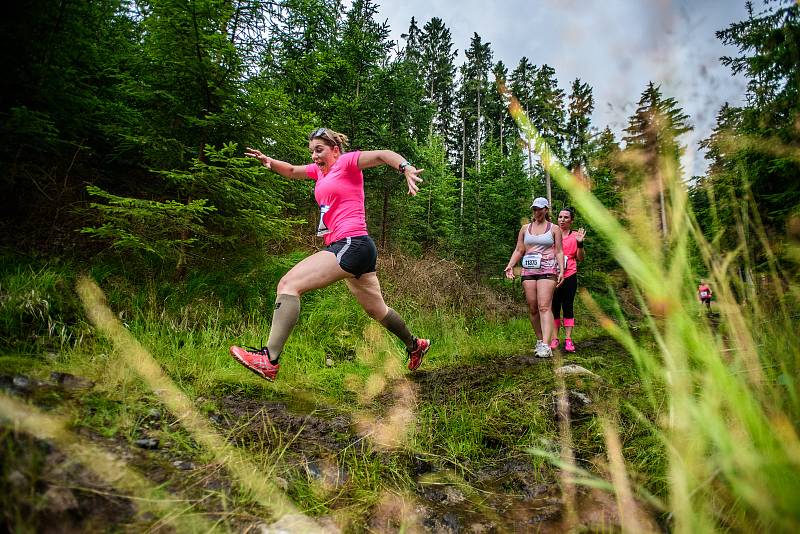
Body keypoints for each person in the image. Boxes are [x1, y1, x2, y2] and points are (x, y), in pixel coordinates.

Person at [229, 128, 431, 381]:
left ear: (335, 150)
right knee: (377, 310)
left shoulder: (347, 163)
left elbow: (382, 155)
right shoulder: (318, 171)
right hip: (357, 247)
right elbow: (291, 171)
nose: (314, 156)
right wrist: (270, 162)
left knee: (288, 284)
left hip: (351, 242)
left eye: (319, 150)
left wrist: (405, 168)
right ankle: (416, 345)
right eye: (312, 151)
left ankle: (269, 360)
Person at [504, 197, 564, 358]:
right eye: (534, 209)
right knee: (532, 307)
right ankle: (539, 340)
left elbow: (559, 251)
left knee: (544, 306)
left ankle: (546, 344)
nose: (537, 212)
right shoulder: (525, 228)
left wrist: (562, 271)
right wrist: (510, 265)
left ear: (546, 210)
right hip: (529, 271)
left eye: (540, 209)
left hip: (547, 270)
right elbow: (519, 249)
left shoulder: (554, 229)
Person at [550, 207, 586, 353]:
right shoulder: (551, 234)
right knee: (554, 307)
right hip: (553, 274)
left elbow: (581, 258)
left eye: (566, 217)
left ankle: (568, 339)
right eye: (560, 217)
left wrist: (580, 244)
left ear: (571, 220)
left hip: (570, 274)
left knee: (568, 306)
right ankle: (554, 338)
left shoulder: (576, 236)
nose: (562, 220)